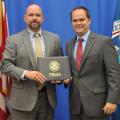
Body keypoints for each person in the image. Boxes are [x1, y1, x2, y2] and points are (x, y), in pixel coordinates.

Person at [1, 3, 63, 120]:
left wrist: (61, 78)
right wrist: (26, 73)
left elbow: (59, 66)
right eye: (31, 15)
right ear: (25, 18)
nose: (34, 18)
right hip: (22, 102)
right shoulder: (13, 40)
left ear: (43, 18)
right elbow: (5, 65)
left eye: (38, 15)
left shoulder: (55, 39)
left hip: (47, 100)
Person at [65, 6, 120, 120]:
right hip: (75, 106)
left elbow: (114, 73)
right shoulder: (69, 45)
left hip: (98, 105)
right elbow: (73, 73)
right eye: (75, 20)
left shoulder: (104, 42)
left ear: (89, 20)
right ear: (71, 23)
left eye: (82, 19)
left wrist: (112, 100)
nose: (78, 23)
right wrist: (65, 79)